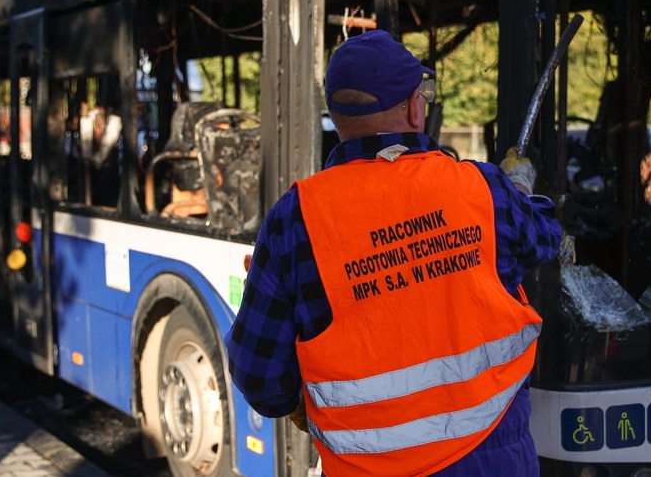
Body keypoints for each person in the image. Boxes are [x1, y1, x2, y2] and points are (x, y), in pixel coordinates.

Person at [225, 29, 562, 476]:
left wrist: (301, 404)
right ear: (413, 107)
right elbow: (545, 236)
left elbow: (259, 377)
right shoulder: (482, 189)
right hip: (493, 460)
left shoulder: (295, 219)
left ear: (337, 115)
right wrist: (516, 185)